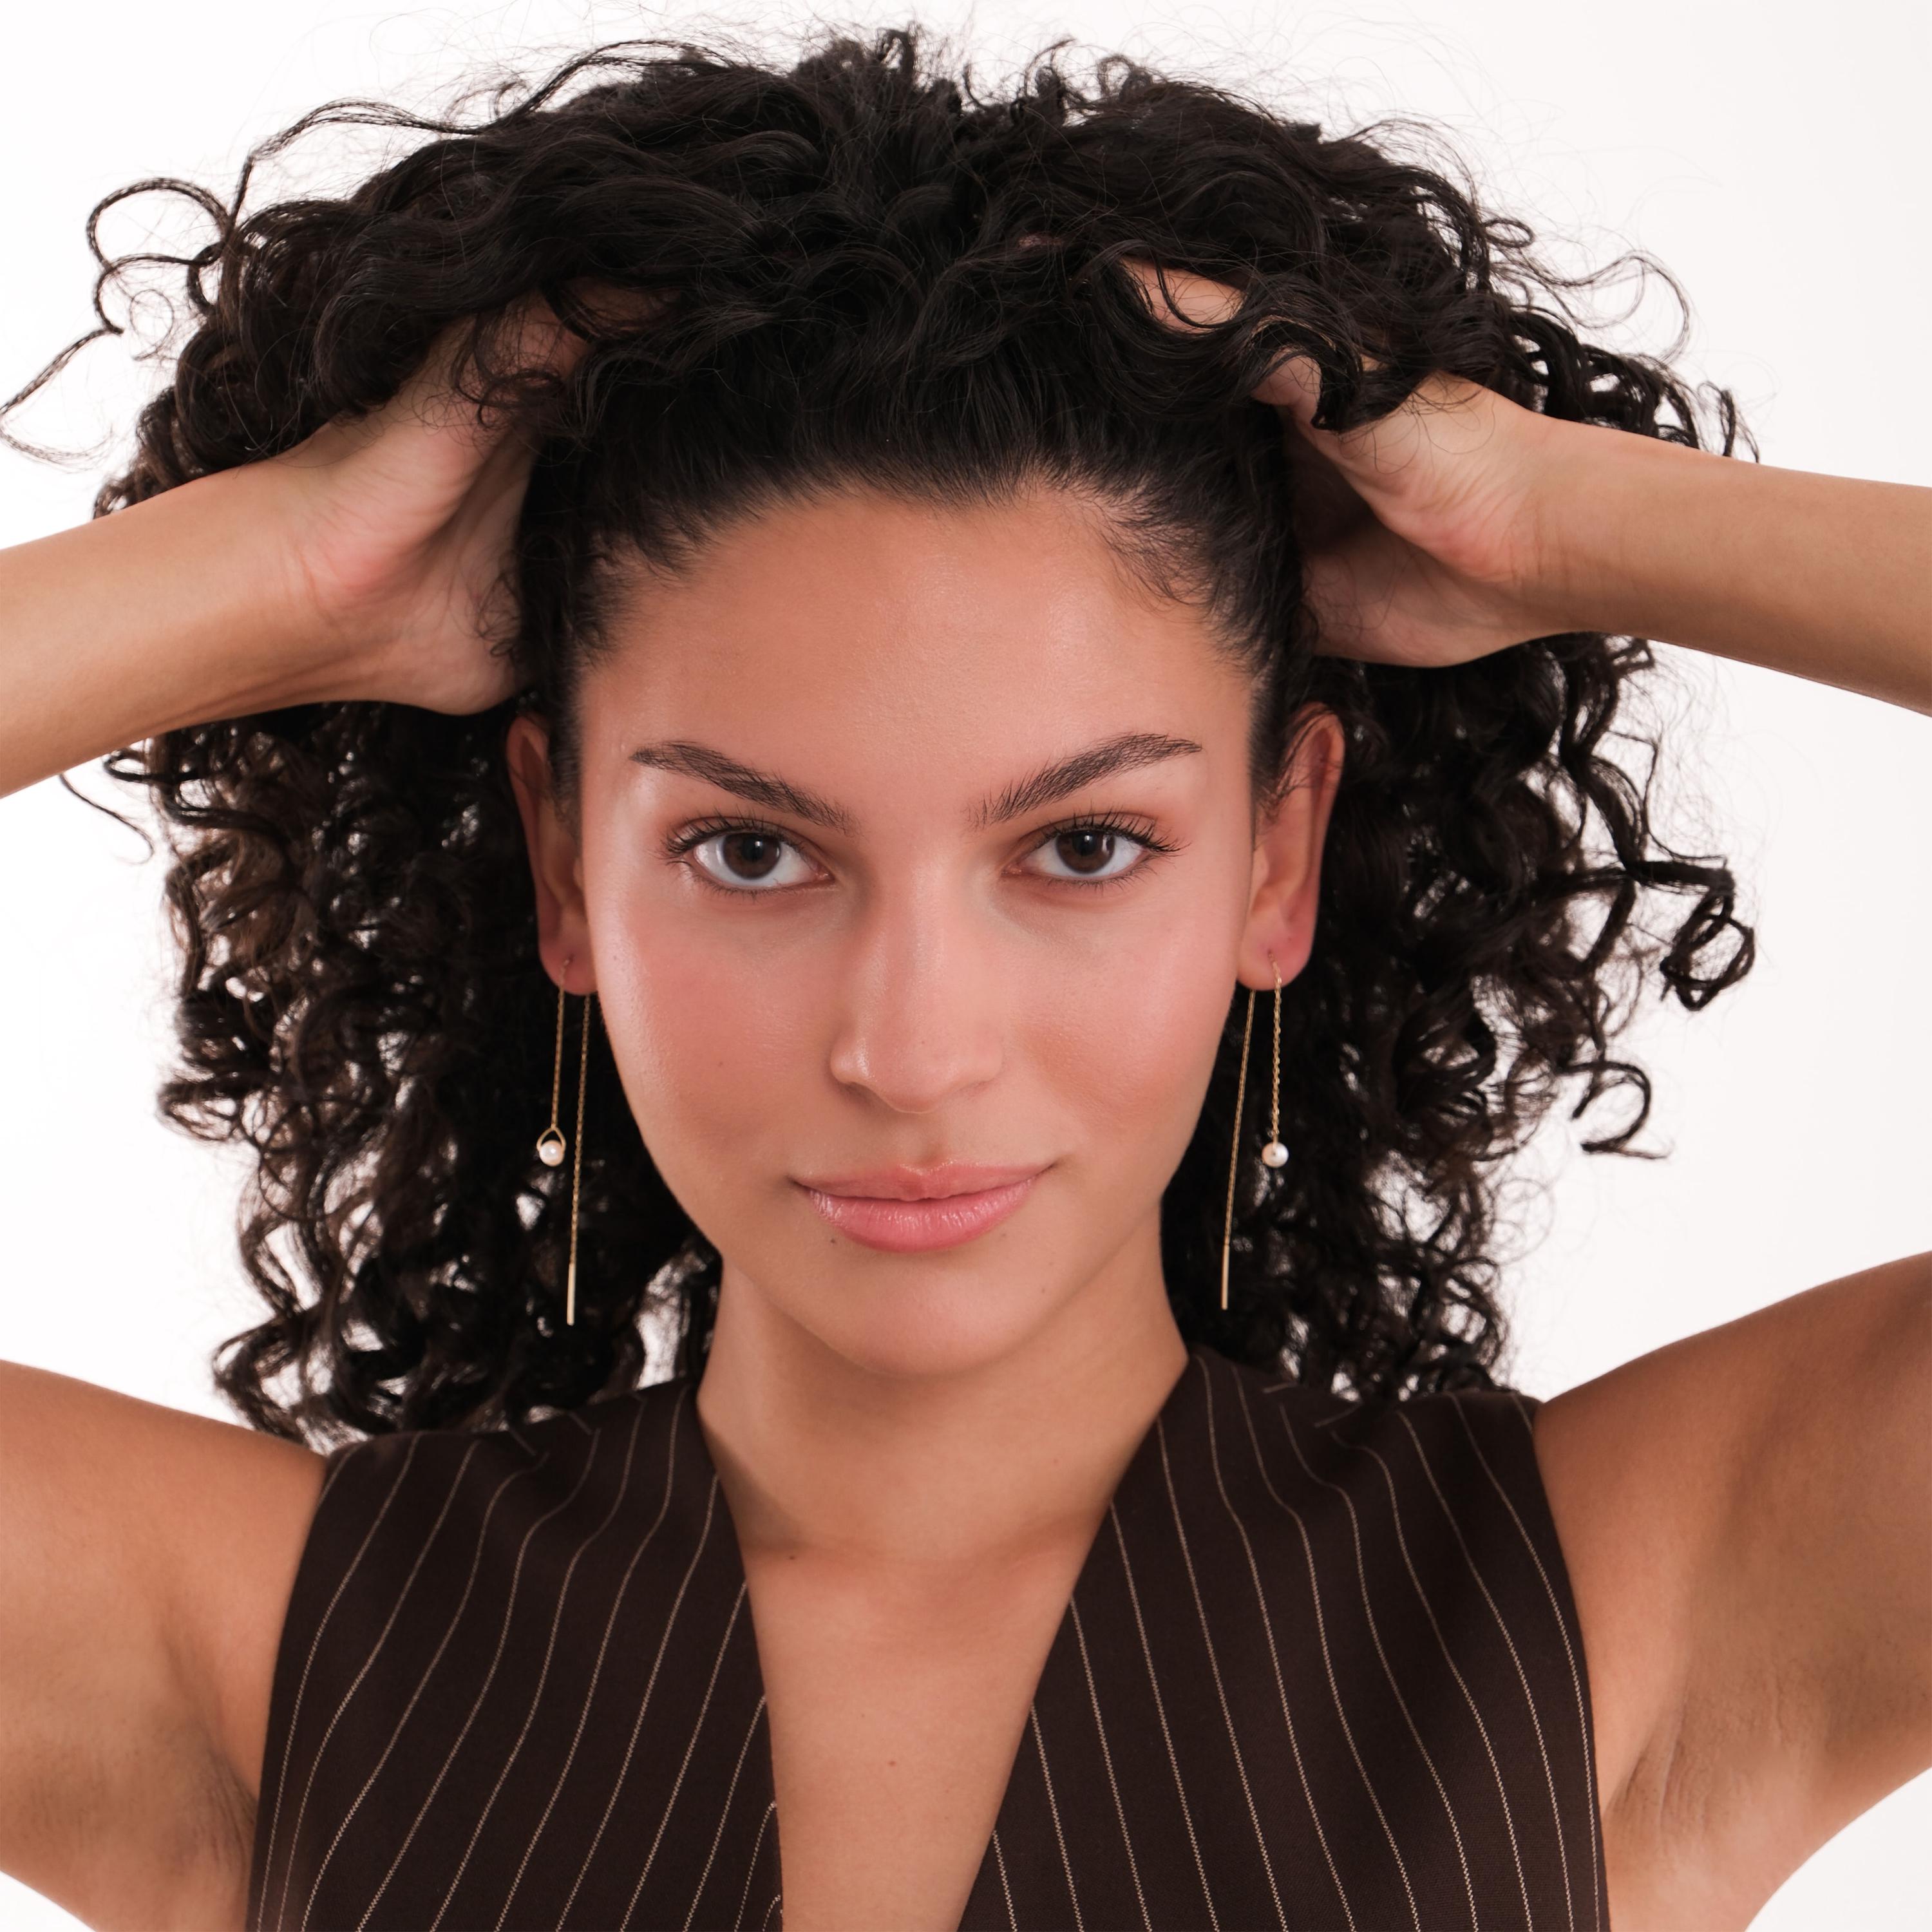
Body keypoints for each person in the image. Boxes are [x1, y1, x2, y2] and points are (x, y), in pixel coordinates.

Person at [0, 24, 1925, 1932]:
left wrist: (1568, 522)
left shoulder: (1613, 1617)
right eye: (751, 852)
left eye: (1082, 848)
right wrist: (287, 571)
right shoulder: (263, 1663)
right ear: (561, 862)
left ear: (1278, 855)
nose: (911, 1048)